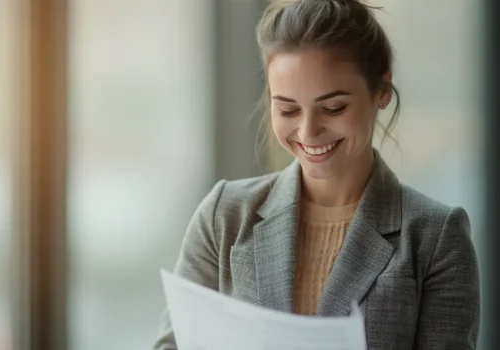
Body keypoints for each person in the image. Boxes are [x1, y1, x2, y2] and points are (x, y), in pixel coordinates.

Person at [154, 0, 480, 349]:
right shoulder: (225, 216)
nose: (309, 133)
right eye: (288, 109)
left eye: (333, 108)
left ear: (381, 92)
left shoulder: (434, 238)